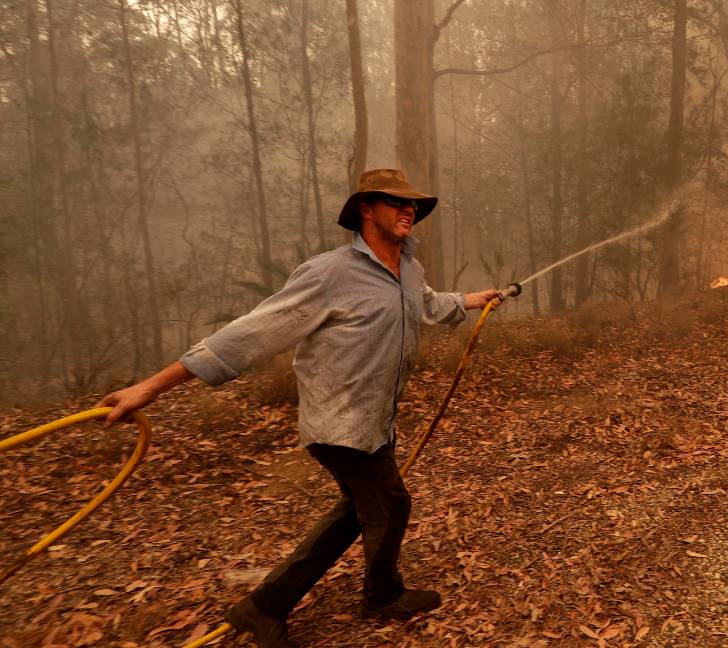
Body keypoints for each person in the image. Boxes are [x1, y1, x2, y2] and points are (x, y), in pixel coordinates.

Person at [100, 169, 502, 648]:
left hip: (375, 420)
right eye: (393, 201)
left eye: (412, 203)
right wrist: (151, 387)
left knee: (360, 509)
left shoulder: (408, 269)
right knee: (390, 504)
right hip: (339, 423)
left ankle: (275, 603)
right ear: (365, 210)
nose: (407, 209)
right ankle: (365, 597)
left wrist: (476, 299)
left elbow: (429, 304)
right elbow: (248, 334)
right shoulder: (328, 273)